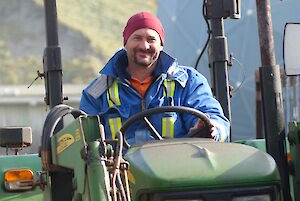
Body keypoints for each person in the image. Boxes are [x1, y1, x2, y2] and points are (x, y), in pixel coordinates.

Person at [80, 11, 230, 144]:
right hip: (121, 173)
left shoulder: (188, 82)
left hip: (177, 169)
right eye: (137, 38)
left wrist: (212, 130)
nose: (144, 46)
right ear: (125, 43)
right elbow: (85, 143)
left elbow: (216, 119)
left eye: (151, 39)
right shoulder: (96, 93)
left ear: (161, 45)